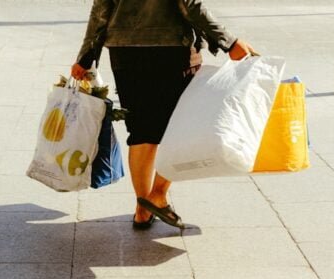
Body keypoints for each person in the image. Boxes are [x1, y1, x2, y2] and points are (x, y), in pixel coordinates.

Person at [72, 0, 255, 230]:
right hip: (171, 48)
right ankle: (156, 195)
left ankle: (142, 210)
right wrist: (230, 42)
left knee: (141, 129)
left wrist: (86, 56)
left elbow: (102, 8)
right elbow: (189, 4)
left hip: (124, 50)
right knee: (180, 126)